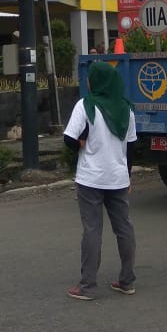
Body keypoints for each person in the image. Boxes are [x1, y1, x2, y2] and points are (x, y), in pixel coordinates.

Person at [62, 60, 137, 300]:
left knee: (92, 230)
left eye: (90, 78)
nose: (87, 81)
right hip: (118, 177)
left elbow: (69, 140)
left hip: (90, 178)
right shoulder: (127, 108)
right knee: (124, 227)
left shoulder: (85, 105)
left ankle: (87, 286)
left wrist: (83, 140)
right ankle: (127, 281)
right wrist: (128, 175)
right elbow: (132, 147)